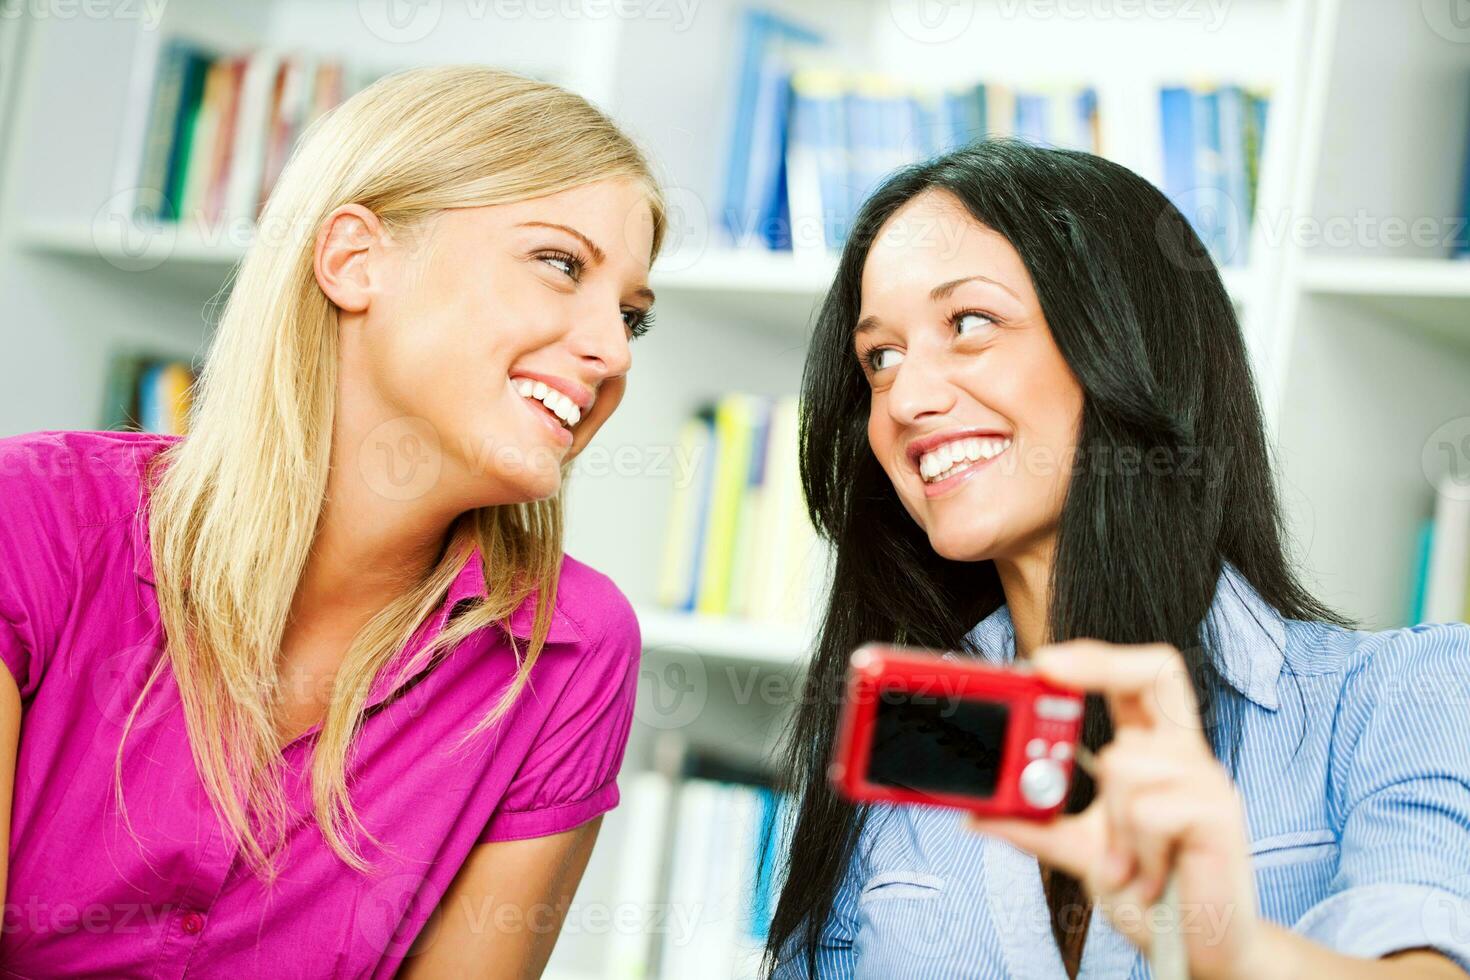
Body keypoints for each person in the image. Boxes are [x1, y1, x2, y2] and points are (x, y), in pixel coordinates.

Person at [0, 65, 663, 977]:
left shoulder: (573, 652)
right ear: (356, 261)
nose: (612, 349)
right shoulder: (35, 515)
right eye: (560, 265)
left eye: (634, 315)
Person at [766, 139, 1470, 979]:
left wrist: (1224, 947)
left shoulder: (1402, 694)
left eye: (971, 323)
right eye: (880, 358)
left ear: (1124, 344)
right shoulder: (899, 733)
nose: (909, 399)